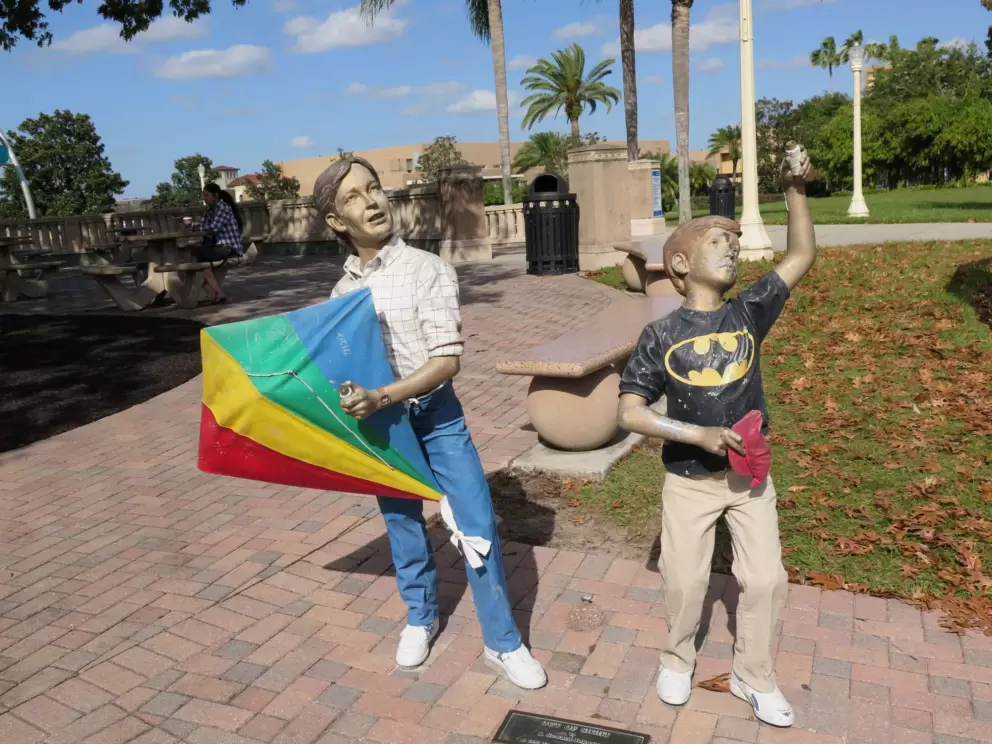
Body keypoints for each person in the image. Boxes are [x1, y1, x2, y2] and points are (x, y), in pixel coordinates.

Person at [316, 155, 547, 690]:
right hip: (383, 426)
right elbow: (345, 368)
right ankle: (420, 618)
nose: (370, 201)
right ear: (335, 221)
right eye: (352, 197)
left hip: (436, 417)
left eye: (373, 188)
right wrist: (350, 395)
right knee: (402, 524)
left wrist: (383, 394)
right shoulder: (339, 294)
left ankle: (503, 642)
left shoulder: (427, 269)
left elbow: (447, 361)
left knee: (477, 525)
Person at [616, 146, 817, 727]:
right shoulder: (660, 336)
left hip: (751, 479)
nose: (730, 248)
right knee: (685, 578)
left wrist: (795, 190)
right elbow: (630, 411)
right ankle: (677, 657)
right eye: (715, 242)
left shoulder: (749, 312)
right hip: (688, 480)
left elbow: (801, 254)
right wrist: (695, 432)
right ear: (679, 265)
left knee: (766, 578)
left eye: (733, 243)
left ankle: (754, 675)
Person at [190, 183, 244, 303]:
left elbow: (213, 227)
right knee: (198, 255)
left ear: (215, 196)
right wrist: (191, 225)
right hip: (219, 247)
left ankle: (214, 292)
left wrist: (198, 227)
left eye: (206, 195)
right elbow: (202, 223)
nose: (204, 198)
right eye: (203, 196)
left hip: (230, 248)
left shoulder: (223, 208)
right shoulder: (211, 210)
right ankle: (216, 292)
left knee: (199, 255)